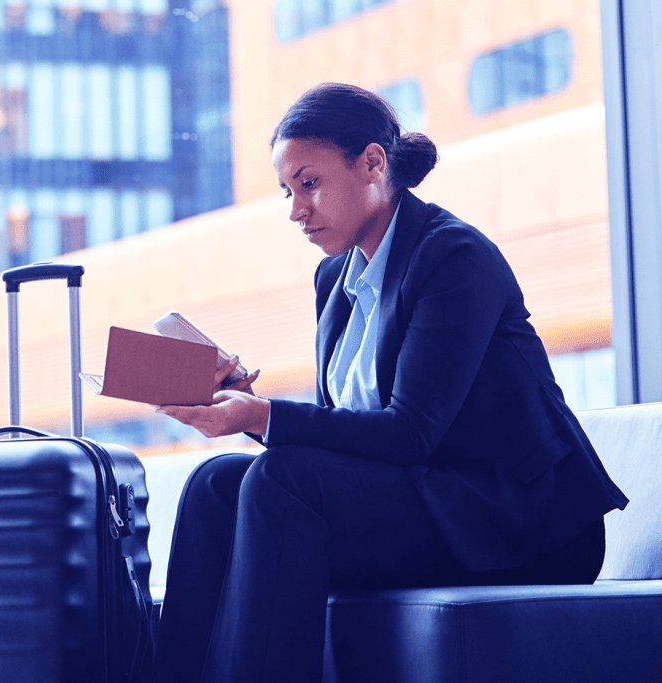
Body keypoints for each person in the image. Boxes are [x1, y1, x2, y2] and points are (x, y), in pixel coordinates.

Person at [150, 83, 628, 683]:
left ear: (373, 163)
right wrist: (239, 402)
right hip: (420, 506)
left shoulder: (453, 257)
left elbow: (411, 433)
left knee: (283, 479)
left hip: (512, 520)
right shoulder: (336, 278)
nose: (296, 209)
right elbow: (347, 441)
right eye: (287, 190)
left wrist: (260, 415)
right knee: (217, 483)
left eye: (309, 183)